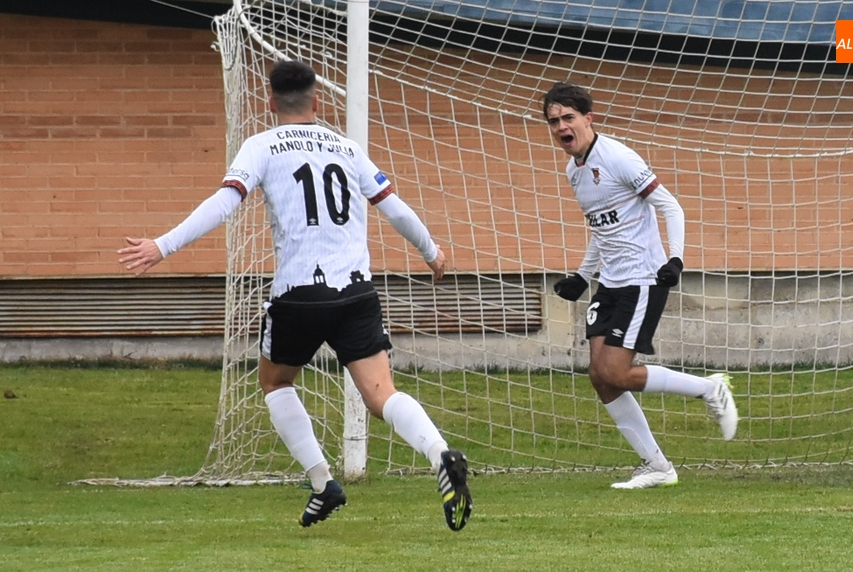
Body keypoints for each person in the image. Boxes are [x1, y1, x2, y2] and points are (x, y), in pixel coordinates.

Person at [118, 60, 473, 530]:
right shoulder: (347, 147)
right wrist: (432, 252)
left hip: (299, 294)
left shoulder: (261, 145)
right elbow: (396, 209)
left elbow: (224, 204)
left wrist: (162, 246)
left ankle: (324, 483)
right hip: (355, 292)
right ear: (317, 101)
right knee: (381, 393)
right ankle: (439, 452)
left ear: (270, 102)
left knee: (276, 382)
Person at [542, 82, 739, 489]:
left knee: (615, 371)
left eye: (568, 117)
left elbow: (671, 206)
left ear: (588, 118)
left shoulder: (618, 158)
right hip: (611, 283)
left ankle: (709, 388)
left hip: (643, 279)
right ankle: (657, 466)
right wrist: (582, 276)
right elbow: (602, 228)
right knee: (600, 375)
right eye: (554, 121)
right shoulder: (574, 171)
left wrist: (675, 259)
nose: (561, 127)